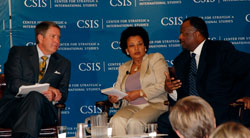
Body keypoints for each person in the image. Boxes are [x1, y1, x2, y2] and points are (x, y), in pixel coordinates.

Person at [157, 16, 250, 136]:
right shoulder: (180, 61)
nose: (180, 37)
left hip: (218, 109)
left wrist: (248, 94)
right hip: (190, 111)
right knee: (164, 121)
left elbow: (247, 67)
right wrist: (171, 91)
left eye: (183, 33)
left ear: (196, 34)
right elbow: (181, 95)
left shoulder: (220, 50)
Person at [0, 21, 71, 138]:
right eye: (53, 36)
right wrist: (46, 88)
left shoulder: (63, 64)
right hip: (13, 109)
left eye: (58, 37)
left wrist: (55, 96)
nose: (57, 41)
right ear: (40, 38)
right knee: (34, 96)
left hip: (44, 111)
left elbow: (63, 95)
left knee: (35, 97)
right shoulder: (18, 53)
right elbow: (14, 84)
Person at [108, 26, 169, 136]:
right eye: (132, 46)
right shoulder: (123, 68)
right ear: (127, 50)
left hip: (154, 105)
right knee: (116, 120)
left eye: (139, 44)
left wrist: (140, 93)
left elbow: (163, 85)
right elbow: (118, 91)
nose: (136, 48)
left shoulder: (155, 59)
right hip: (131, 106)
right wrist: (115, 99)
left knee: (135, 122)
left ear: (145, 46)